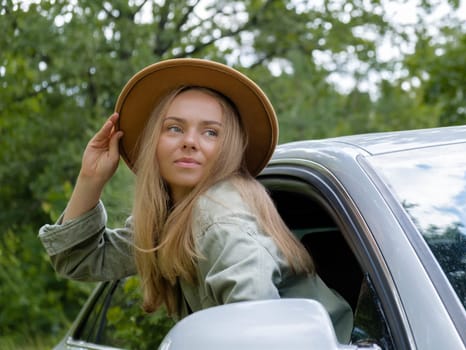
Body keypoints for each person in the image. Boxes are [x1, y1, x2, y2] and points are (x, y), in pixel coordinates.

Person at [38, 58, 353, 343]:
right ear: (153, 143)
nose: (190, 142)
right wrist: (91, 179)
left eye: (211, 133)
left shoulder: (220, 215)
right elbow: (77, 259)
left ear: (229, 148)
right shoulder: (169, 220)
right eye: (174, 128)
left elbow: (256, 332)